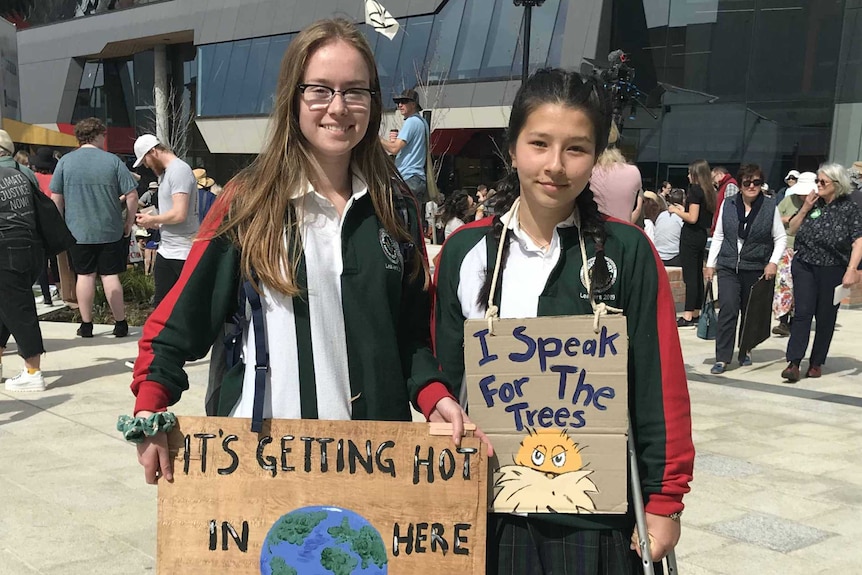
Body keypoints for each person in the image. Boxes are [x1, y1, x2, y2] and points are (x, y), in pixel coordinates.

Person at [127, 18, 483, 484]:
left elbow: (412, 334)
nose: (337, 107)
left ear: (373, 104)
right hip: (267, 459)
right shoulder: (249, 202)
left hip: (375, 459)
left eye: (355, 91)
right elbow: (179, 322)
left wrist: (435, 394)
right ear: (293, 98)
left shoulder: (396, 208)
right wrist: (150, 408)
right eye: (320, 90)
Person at [433, 68, 693, 572]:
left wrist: (665, 497)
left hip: (594, 514)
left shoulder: (627, 250)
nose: (555, 165)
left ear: (596, 157)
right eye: (539, 143)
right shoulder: (466, 251)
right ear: (512, 148)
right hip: (490, 508)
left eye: (576, 148)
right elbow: (442, 372)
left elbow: (659, 383)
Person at [50, 117, 138, 338]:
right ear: (98, 135)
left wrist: (59, 227)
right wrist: (128, 222)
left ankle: (86, 324)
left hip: (77, 231)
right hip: (110, 229)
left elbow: (56, 198)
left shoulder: (65, 162)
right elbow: (132, 195)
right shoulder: (113, 161)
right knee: (110, 276)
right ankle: (120, 323)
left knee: (84, 276)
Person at [781, 163, 862, 382]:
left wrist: (852, 270)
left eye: (822, 182)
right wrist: (806, 208)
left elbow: (858, 241)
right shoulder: (813, 203)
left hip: (832, 268)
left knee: (825, 316)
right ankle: (794, 361)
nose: (818, 185)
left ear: (836, 184)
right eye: (817, 181)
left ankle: (816, 362)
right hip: (805, 264)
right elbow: (792, 228)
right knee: (802, 313)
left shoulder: (849, 208)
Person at [704, 164, 786, 374]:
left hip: (756, 266)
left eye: (756, 182)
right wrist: (710, 263)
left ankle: (745, 350)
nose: (752, 186)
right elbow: (719, 235)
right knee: (728, 309)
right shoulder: (729, 204)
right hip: (729, 266)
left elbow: (780, 237)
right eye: (747, 183)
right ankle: (722, 357)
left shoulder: (769, 206)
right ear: (739, 185)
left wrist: (773, 262)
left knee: (750, 312)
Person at [0, 130, 47, 391]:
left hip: (5, 247)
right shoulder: (24, 173)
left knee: (19, 308)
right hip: (31, 247)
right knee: (6, 304)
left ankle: (33, 372)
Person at [132, 134, 199, 307]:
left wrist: (153, 218)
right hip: (168, 249)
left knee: (183, 307)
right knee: (162, 307)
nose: (146, 166)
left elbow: (179, 214)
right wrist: (153, 221)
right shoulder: (167, 174)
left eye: (145, 161)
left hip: (183, 252)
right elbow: (173, 215)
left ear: (153, 151)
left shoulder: (179, 170)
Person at [669, 159, 715, 327]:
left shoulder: (695, 190)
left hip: (690, 234)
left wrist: (676, 211)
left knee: (690, 276)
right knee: (696, 274)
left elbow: (692, 218)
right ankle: (696, 310)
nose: (688, 176)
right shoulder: (709, 191)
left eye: (690, 173)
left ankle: (688, 314)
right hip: (702, 234)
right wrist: (684, 210)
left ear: (695, 174)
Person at [772, 172, 812, 337]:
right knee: (784, 284)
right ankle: (783, 320)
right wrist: (787, 218)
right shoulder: (789, 199)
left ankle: (796, 319)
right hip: (787, 245)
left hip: (806, 248)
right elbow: (774, 217)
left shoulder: (818, 204)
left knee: (800, 286)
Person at [380, 87, 429, 210]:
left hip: (409, 177)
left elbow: (394, 148)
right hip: (416, 178)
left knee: (401, 219)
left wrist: (376, 139)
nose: (400, 105)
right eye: (398, 103)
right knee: (414, 220)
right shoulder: (422, 122)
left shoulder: (411, 122)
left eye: (404, 102)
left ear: (413, 104)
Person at [589, 143, 644, 223]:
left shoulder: (588, 171)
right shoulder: (633, 172)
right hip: (622, 230)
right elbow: (637, 210)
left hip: (591, 229)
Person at [653, 188, 685, 267]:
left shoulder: (661, 215)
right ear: (683, 201)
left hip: (658, 256)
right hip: (674, 257)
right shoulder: (682, 217)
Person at [710, 166, 738, 234]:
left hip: (725, 229)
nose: (713, 182)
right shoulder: (723, 187)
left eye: (713, 178)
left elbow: (730, 209)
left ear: (720, 174)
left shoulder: (730, 185)